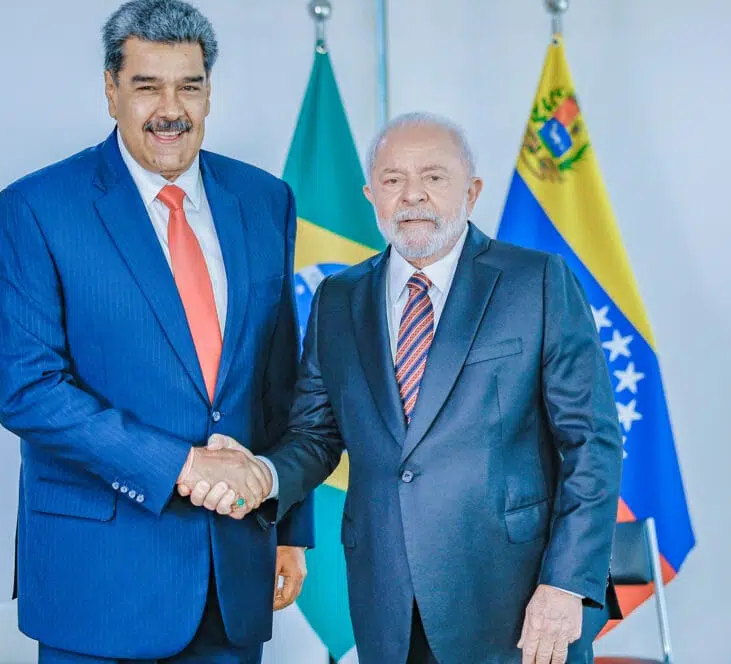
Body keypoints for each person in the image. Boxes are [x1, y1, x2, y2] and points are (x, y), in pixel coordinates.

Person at [199, 112, 623, 663]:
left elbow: (592, 443)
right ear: (371, 195)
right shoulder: (338, 299)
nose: (412, 194)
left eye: (434, 177)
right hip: (389, 599)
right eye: (393, 179)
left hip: (519, 600)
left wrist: (565, 583)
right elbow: (315, 436)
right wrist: (265, 474)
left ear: (472, 191)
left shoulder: (537, 282)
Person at [0, 0, 312, 664]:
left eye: (189, 86)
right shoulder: (38, 207)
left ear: (209, 92)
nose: (171, 109)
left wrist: (286, 524)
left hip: (233, 569)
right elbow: (29, 391)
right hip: (99, 580)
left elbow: (279, 378)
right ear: (111, 91)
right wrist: (183, 465)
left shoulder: (264, 200)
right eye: (146, 86)